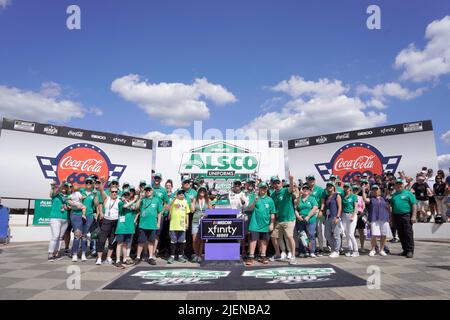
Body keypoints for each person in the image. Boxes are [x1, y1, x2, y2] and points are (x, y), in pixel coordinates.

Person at [245, 182, 276, 265]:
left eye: (264, 188)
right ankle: (251, 256)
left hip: (265, 224)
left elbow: (272, 212)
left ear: (267, 189)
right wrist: (254, 202)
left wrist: (272, 223)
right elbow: (249, 208)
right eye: (261, 188)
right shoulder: (254, 197)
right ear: (259, 189)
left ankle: (263, 256)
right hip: (255, 224)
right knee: (253, 240)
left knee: (264, 241)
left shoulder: (270, 199)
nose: (263, 189)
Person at [68, 179, 99, 262]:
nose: (88, 184)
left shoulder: (94, 193)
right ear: (85, 184)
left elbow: (96, 204)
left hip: (89, 216)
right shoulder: (80, 191)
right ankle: (74, 253)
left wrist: (95, 195)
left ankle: (83, 254)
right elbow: (69, 200)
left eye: (90, 183)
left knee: (85, 235)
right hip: (76, 215)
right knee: (77, 234)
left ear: (92, 184)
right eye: (87, 182)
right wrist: (75, 205)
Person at [270, 173, 298, 265]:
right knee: (274, 237)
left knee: (290, 237)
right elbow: (273, 207)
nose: (276, 184)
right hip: (279, 219)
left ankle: (293, 256)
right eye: (274, 183)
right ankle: (278, 254)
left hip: (289, 219)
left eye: (278, 182)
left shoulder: (286, 190)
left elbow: (292, 188)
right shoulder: (273, 195)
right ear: (272, 184)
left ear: (281, 183)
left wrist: (291, 179)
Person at [135, 184, 163, 265]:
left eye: (149, 190)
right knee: (141, 241)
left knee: (151, 241)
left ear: (152, 191)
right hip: (143, 224)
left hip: (152, 224)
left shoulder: (157, 200)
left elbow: (159, 212)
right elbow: (136, 207)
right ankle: (138, 257)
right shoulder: (143, 200)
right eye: (146, 190)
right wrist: (140, 198)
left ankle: (150, 257)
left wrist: (158, 223)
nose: (148, 191)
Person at [390, 179, 417, 258]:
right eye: (397, 184)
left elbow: (414, 205)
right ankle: (405, 250)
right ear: (395, 186)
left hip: (406, 215)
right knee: (400, 234)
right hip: (396, 216)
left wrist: (414, 216)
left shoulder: (408, 193)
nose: (399, 185)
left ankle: (410, 251)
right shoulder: (394, 195)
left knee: (408, 233)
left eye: (400, 184)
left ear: (403, 185)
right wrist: (392, 219)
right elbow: (391, 207)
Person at [96, 177, 120, 265]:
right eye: (112, 191)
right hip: (106, 221)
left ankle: (108, 257)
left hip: (116, 222)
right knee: (102, 240)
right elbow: (101, 190)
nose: (114, 193)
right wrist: (102, 183)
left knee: (112, 241)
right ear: (109, 192)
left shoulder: (120, 200)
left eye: (116, 192)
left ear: (118, 192)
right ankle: (99, 258)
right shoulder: (106, 199)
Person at [362, 184, 391, 256]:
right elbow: (365, 200)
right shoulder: (371, 199)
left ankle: (381, 249)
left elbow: (389, 207)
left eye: (376, 189)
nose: (375, 191)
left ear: (379, 190)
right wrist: (363, 190)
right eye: (373, 190)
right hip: (374, 219)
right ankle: (373, 249)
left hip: (384, 218)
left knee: (384, 234)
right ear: (371, 191)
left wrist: (390, 217)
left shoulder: (384, 198)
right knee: (374, 235)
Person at [113, 189, 138, 268]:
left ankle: (124, 259)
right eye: (125, 195)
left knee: (125, 244)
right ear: (122, 196)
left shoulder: (130, 203)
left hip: (129, 227)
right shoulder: (120, 203)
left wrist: (136, 200)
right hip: (121, 227)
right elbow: (125, 206)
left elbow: (134, 208)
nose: (126, 196)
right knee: (119, 243)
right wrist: (134, 200)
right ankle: (117, 260)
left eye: (128, 195)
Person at [47, 181, 70, 261]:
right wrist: (61, 184)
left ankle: (56, 253)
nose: (64, 188)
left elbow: (69, 206)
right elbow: (55, 191)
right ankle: (50, 253)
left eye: (65, 186)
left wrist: (68, 207)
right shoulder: (56, 194)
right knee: (55, 236)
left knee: (60, 237)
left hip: (65, 218)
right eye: (63, 186)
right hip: (55, 218)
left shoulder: (68, 196)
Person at [295, 183, 319, 258]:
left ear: (309, 191)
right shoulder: (299, 198)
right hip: (300, 220)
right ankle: (302, 251)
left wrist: (308, 216)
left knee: (310, 235)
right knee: (301, 236)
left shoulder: (312, 198)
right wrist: (298, 216)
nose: (305, 190)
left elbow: (315, 208)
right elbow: (295, 208)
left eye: (307, 189)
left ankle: (311, 251)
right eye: (304, 189)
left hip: (310, 220)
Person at [320, 182, 342, 258]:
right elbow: (325, 207)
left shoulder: (337, 195)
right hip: (327, 217)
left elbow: (339, 207)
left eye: (331, 186)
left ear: (333, 187)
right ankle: (333, 248)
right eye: (328, 186)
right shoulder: (326, 196)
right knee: (327, 235)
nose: (329, 187)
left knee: (336, 235)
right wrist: (323, 217)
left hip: (334, 217)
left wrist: (338, 217)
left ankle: (336, 251)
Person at [168, 189, 190, 264]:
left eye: (183, 193)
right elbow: (169, 207)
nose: (181, 194)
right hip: (173, 225)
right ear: (177, 194)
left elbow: (187, 214)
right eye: (180, 193)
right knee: (173, 241)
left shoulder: (185, 202)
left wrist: (187, 223)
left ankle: (180, 256)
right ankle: (172, 256)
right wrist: (174, 198)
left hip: (182, 225)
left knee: (182, 241)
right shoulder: (174, 201)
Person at [190, 186, 211, 263]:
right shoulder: (195, 200)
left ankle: (199, 255)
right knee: (194, 240)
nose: (202, 191)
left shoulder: (207, 200)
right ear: (198, 191)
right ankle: (196, 254)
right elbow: (192, 210)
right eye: (201, 190)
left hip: (204, 222)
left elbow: (211, 211)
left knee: (202, 240)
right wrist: (192, 202)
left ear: (205, 192)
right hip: (195, 221)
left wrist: (206, 214)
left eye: (204, 190)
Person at [228, 179, 249, 256]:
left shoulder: (243, 194)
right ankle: (233, 251)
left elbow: (246, 205)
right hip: (230, 216)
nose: (237, 186)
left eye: (238, 184)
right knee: (231, 234)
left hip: (240, 216)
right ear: (233, 185)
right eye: (235, 184)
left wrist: (243, 201)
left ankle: (243, 250)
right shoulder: (229, 193)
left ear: (240, 185)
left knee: (242, 235)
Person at [306, 175, 326, 256]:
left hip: (317, 211)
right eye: (309, 179)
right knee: (309, 232)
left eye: (312, 179)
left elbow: (323, 201)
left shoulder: (319, 189)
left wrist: (321, 210)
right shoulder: (305, 188)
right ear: (307, 180)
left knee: (319, 231)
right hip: (308, 212)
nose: (311, 181)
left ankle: (321, 248)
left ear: (315, 180)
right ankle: (310, 249)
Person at [341, 183, 359, 257]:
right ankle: (350, 249)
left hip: (352, 215)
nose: (346, 188)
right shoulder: (343, 196)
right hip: (344, 215)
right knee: (347, 233)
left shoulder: (354, 196)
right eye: (345, 187)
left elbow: (356, 207)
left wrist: (353, 216)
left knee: (351, 234)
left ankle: (356, 250)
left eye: (347, 187)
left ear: (350, 188)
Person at [354, 185, 367, 251]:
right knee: (352, 232)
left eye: (356, 190)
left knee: (361, 232)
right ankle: (354, 246)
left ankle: (362, 247)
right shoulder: (351, 197)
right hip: (353, 214)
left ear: (359, 191)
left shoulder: (361, 198)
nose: (355, 191)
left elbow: (364, 207)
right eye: (354, 189)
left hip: (360, 215)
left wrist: (360, 215)